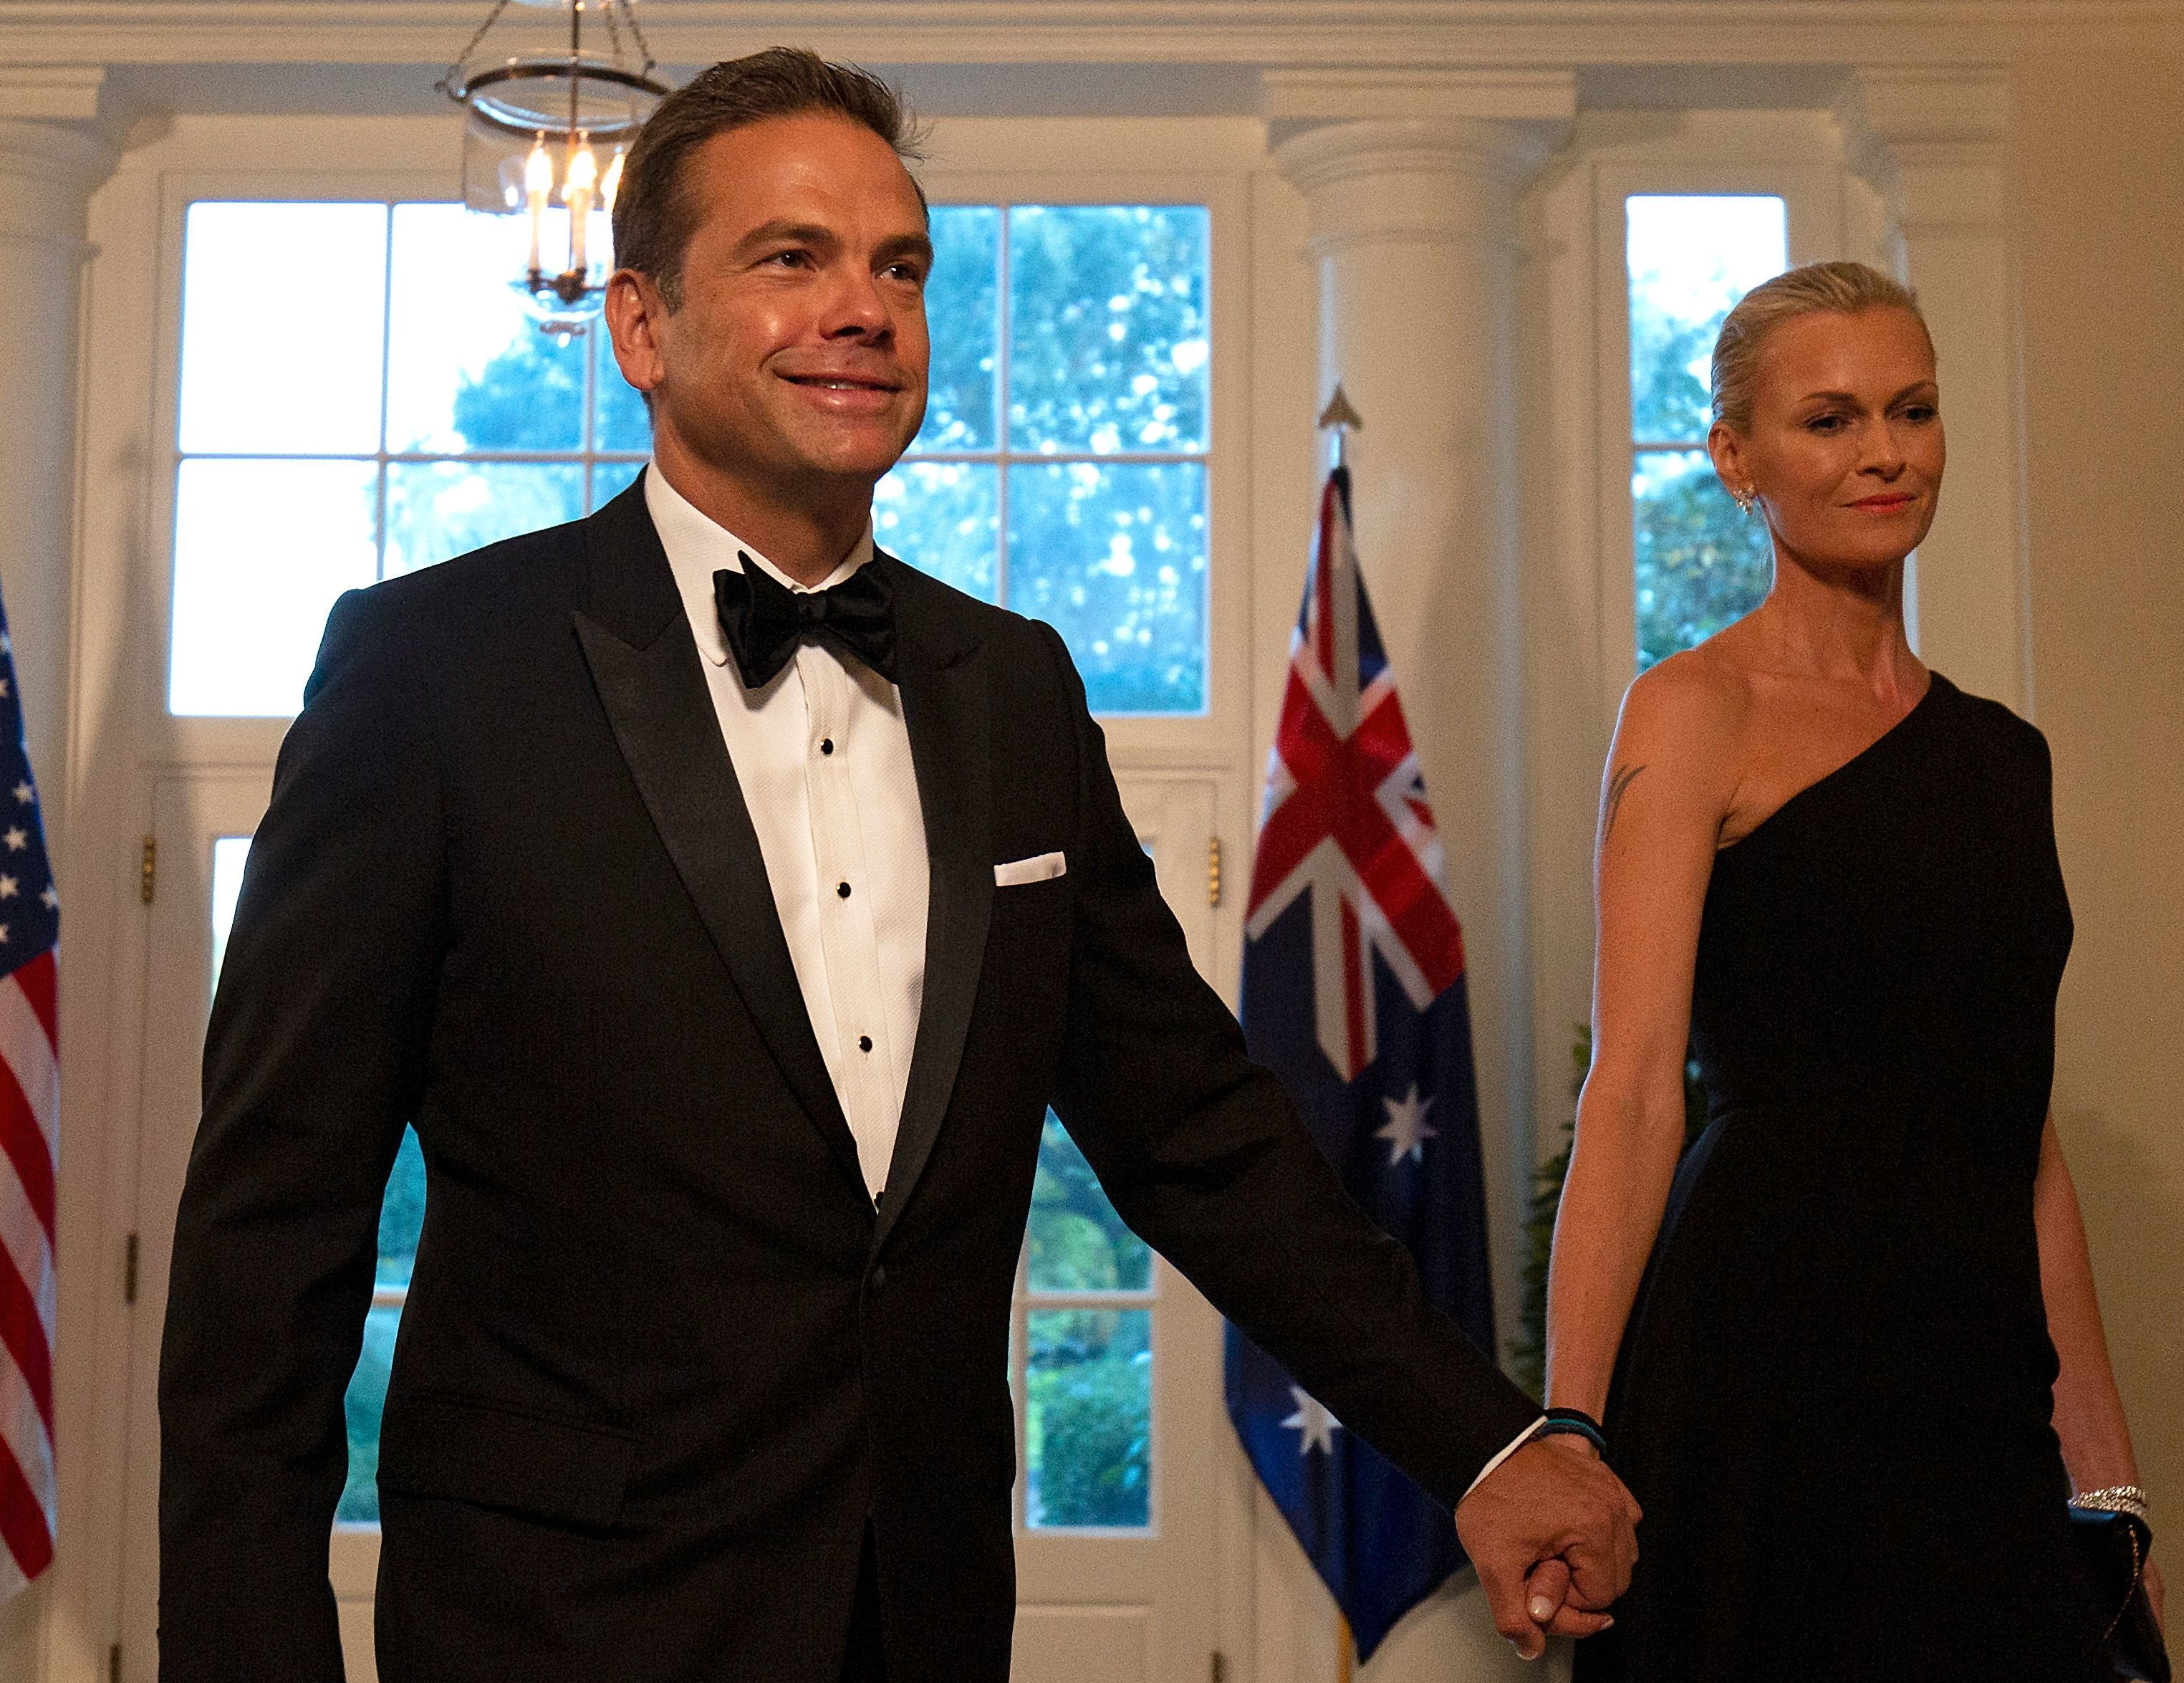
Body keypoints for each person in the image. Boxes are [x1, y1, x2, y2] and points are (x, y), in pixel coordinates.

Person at [156, 49, 1636, 1683]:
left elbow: (1200, 1137)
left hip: (921, 1622)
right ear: (641, 326)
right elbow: (266, 1245)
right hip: (556, 1629)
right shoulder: (435, 672)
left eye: (900, 264)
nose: (864, 305)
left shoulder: (1013, 689)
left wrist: (1489, 1444)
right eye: (791, 258)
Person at [1546, 260, 2157, 1680]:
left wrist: (2104, 1469)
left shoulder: (2008, 757)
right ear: (1736, 458)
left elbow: (2024, 1128)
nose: (1884, 450)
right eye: (1830, 419)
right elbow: (1634, 1091)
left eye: (1913, 409)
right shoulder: (1694, 709)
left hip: (1975, 1372)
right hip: (1760, 1357)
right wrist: (1572, 1435)